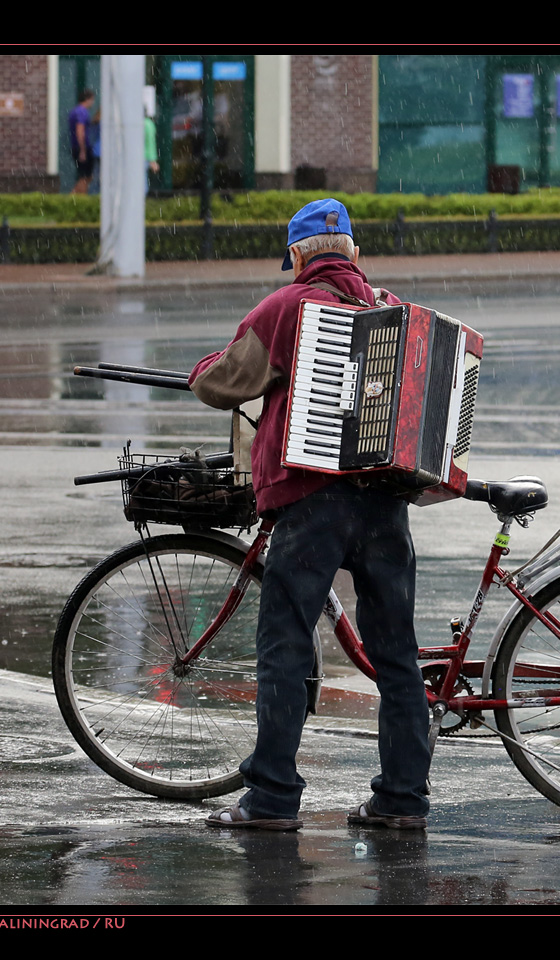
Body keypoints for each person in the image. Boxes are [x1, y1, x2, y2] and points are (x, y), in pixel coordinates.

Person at [190, 198, 432, 831]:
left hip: (310, 501)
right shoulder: (390, 310)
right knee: (397, 655)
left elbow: (226, 382)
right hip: (384, 503)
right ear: (353, 251)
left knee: (285, 646)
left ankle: (272, 798)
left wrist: (200, 373)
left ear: (297, 256)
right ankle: (403, 800)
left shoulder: (286, 307)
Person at [68, 89, 96, 194]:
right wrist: (83, 150)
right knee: (85, 176)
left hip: (76, 146)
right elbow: (80, 130)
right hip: (82, 147)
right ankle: (76, 198)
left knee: (85, 176)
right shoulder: (82, 112)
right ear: (87, 99)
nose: (92, 103)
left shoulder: (75, 111)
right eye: (92, 100)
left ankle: (75, 197)